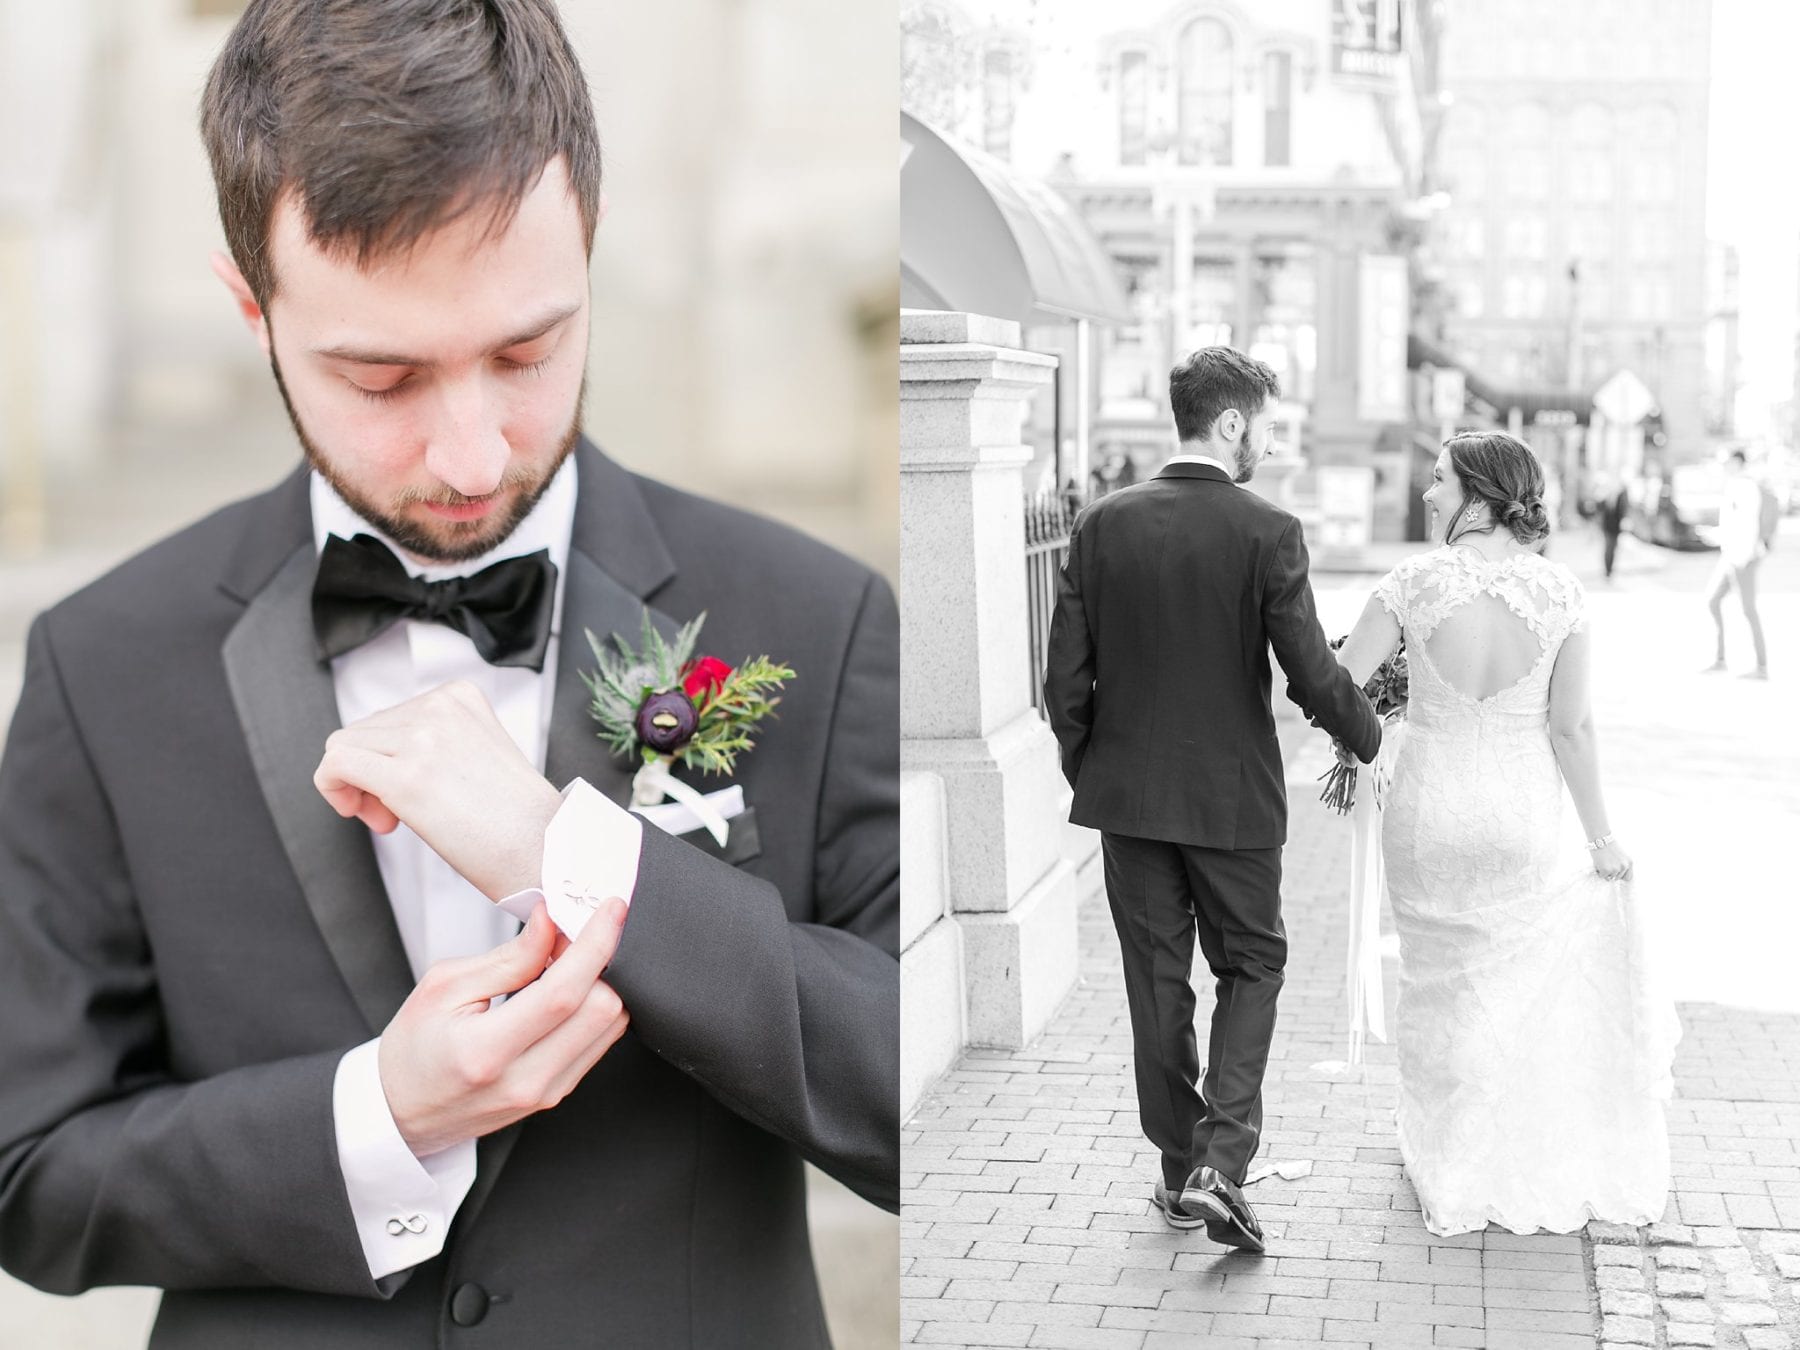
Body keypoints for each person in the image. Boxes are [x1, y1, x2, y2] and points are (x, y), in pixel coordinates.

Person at [0, 3, 898, 1346]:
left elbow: (919, 1100)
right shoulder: (101, 663)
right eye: (383, 375)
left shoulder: (814, 618)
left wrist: (577, 852)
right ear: (252, 305)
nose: (473, 455)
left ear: (586, 247)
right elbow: (30, 1174)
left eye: (527, 352)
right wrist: (378, 1120)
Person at [1042, 347, 1381, 1253]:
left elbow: (1062, 683)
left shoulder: (1100, 524)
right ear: (1231, 424)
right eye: (1266, 424)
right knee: (1254, 966)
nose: (1270, 442)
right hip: (1233, 806)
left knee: (1156, 987)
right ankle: (1219, 1168)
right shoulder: (1268, 531)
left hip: (1128, 804)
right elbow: (1311, 673)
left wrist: (1097, 773)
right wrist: (1373, 738)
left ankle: (1176, 1169)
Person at [1332, 431, 1678, 1237]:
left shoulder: (1412, 585)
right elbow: (1572, 729)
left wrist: (1373, 737)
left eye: (1441, 481)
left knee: (1437, 978)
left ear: (1480, 498)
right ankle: (1491, 1152)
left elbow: (1339, 682)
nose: (1427, 492)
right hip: (1521, 815)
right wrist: (1601, 840)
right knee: (1505, 984)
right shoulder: (1561, 595)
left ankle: (1446, 1155)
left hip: (1427, 807)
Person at [1704, 449, 1775, 678]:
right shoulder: (1736, 484)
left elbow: (1748, 525)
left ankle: (1761, 666)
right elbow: (1733, 525)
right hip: (1731, 556)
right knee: (1713, 601)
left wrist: (1742, 558)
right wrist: (1717, 536)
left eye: (1726, 462)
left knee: (1748, 610)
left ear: (1737, 462)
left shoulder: (1745, 486)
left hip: (1742, 558)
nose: (1723, 466)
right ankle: (1720, 659)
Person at [1595, 475, 1630, 581]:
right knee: (1608, 547)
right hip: (1607, 525)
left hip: (1616, 526)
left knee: (1613, 548)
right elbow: (1599, 508)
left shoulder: (1622, 493)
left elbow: (1625, 507)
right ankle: (1607, 571)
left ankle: (1610, 570)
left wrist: (1625, 520)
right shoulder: (1606, 493)